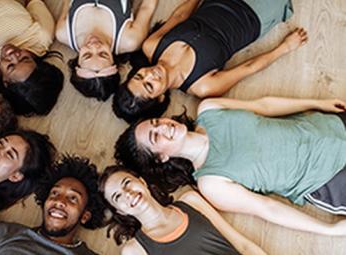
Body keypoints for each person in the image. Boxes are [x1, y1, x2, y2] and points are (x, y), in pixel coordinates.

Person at [115, 96, 346, 235]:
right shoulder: (211, 183)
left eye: (156, 122)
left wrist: (318, 102)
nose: (164, 127)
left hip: (330, 126)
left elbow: (264, 105)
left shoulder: (209, 109)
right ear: (161, 158)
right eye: (156, 137)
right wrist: (328, 229)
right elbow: (268, 209)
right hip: (328, 178)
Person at [112, 0, 308, 123]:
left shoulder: (151, 46)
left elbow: (180, 15)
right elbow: (250, 67)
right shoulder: (202, 86)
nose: (149, 74)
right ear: (160, 98)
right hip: (253, 16)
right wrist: (286, 47)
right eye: (149, 86)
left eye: (139, 75)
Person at [99, 165, 266, 255]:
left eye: (127, 183)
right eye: (117, 197)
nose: (128, 194)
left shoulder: (190, 201)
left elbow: (243, 245)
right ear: (120, 211)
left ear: (142, 182)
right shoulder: (134, 251)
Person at [0, 155, 105, 255]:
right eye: (54, 193)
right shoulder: (4, 232)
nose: (59, 201)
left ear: (85, 216)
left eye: (73, 198)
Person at [55, 0, 158, 101]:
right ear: (114, 61)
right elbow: (147, 6)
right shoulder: (130, 39)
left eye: (87, 55)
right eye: (103, 54)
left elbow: (66, 2)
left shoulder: (63, 32)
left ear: (77, 62)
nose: (94, 46)